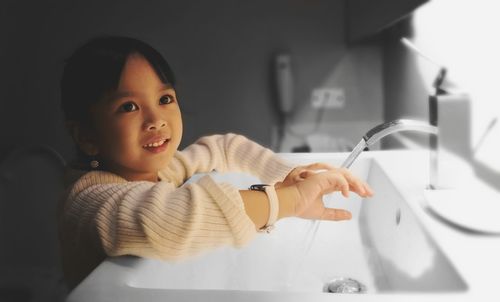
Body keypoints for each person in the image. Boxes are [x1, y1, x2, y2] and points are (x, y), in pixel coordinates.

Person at [57, 36, 373, 289]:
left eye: (165, 99)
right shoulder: (89, 201)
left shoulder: (162, 170)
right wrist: (289, 200)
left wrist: (286, 174)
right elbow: (167, 219)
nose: (156, 120)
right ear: (87, 136)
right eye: (128, 106)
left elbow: (223, 147)